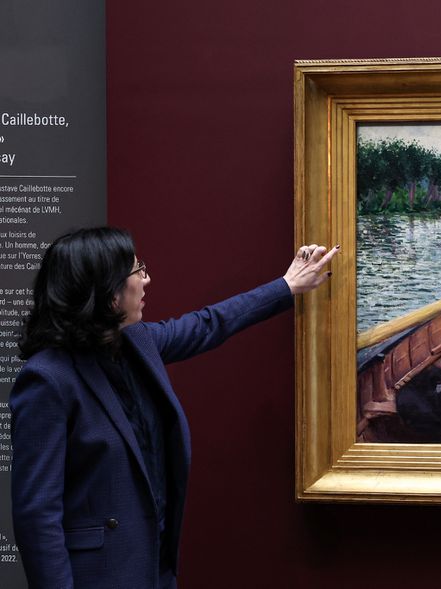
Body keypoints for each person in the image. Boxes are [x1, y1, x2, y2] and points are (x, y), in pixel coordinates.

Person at [10, 227, 337, 589]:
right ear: (107, 292)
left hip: (154, 568)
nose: (147, 279)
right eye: (137, 271)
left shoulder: (137, 342)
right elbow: (37, 516)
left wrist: (287, 285)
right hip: (100, 577)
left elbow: (210, 322)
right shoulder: (47, 379)